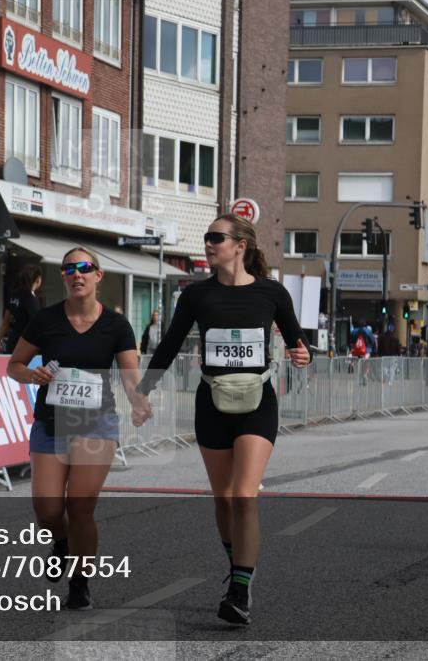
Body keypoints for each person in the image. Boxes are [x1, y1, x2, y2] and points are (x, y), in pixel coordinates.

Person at [131, 214, 311, 625]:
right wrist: (143, 393)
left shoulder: (272, 293)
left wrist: (303, 356)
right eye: (207, 238)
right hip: (211, 402)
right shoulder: (195, 296)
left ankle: (239, 590)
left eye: (216, 238)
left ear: (239, 246)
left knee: (244, 495)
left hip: (258, 402)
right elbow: (169, 346)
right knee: (224, 498)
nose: (209, 244)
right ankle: (238, 565)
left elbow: (300, 344)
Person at [6, 247, 147, 611]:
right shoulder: (46, 320)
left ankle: (80, 582)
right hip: (51, 424)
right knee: (48, 510)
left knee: (81, 505)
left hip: (96, 423)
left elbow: (130, 374)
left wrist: (138, 400)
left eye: (85, 268)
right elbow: (14, 365)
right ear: (63, 277)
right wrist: (31, 374)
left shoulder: (116, 325)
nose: (76, 274)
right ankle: (61, 542)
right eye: (69, 269)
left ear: (99, 276)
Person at [0, 265, 42, 354]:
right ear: (38, 280)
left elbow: (5, 322)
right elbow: (36, 325)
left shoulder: (13, 295)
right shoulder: (31, 300)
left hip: (12, 341)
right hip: (27, 344)